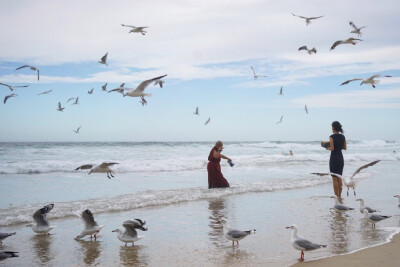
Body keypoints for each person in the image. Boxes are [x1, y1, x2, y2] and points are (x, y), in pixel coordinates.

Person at [326, 121, 346, 203]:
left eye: (332, 127)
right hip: (340, 157)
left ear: (333, 127)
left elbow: (332, 148)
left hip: (334, 158)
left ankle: (337, 197)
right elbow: (344, 148)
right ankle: (340, 196)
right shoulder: (343, 137)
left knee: (334, 178)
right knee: (339, 178)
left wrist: (326, 147)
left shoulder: (331, 137)